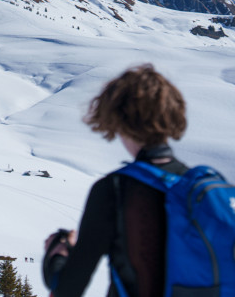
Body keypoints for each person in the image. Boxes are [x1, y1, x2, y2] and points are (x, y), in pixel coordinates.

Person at [43, 64, 189, 297]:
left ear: (119, 117)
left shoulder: (116, 190)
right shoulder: (204, 188)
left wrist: (58, 253)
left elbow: (67, 289)